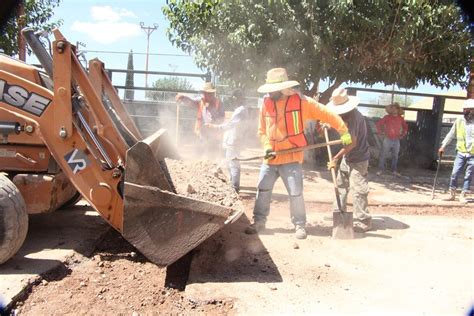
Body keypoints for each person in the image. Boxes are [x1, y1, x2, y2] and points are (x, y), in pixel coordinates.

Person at [245, 68, 352, 240]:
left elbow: (327, 113)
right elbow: (262, 130)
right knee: (263, 189)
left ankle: (300, 225)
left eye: (273, 90)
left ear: (283, 89)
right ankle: (259, 222)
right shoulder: (266, 103)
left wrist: (343, 130)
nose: (270, 93)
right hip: (271, 158)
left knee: (295, 193)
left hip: (292, 158)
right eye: (269, 90)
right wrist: (266, 147)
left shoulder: (303, 103)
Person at [326, 88, 372, 232]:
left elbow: (352, 143)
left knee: (358, 190)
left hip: (359, 159)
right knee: (340, 185)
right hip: (348, 157)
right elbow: (340, 125)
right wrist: (328, 124)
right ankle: (338, 212)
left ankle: (364, 221)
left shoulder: (355, 118)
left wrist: (335, 157)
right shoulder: (345, 116)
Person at [206, 89, 248, 192]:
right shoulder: (240, 110)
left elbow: (230, 125)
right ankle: (233, 186)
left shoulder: (241, 110)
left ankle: (235, 188)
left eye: (234, 98)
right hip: (232, 141)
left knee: (233, 165)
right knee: (231, 165)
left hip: (233, 142)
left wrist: (214, 127)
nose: (233, 101)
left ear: (237, 98)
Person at [438, 99, 474, 203]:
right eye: (470, 110)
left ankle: (463, 194)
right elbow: (451, 134)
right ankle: (452, 193)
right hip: (461, 152)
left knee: (469, 175)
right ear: (465, 110)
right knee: (454, 173)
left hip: (473, 153)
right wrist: (443, 146)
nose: (472, 112)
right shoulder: (459, 121)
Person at [175, 82, 225, 156]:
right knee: (198, 155)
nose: (205, 95)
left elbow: (222, 118)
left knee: (212, 155)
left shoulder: (219, 103)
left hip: (214, 137)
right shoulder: (200, 101)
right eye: (205, 93)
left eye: (208, 93)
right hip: (201, 135)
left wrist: (213, 125)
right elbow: (191, 101)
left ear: (212, 94)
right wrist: (183, 97)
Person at [375, 102, 408, 176]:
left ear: (397, 109)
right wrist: (380, 132)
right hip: (388, 138)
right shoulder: (387, 117)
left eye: (394, 108)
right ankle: (380, 169)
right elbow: (378, 124)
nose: (393, 110)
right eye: (392, 108)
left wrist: (403, 134)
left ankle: (393, 170)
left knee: (395, 155)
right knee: (383, 154)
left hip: (396, 139)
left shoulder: (400, 118)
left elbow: (405, 127)